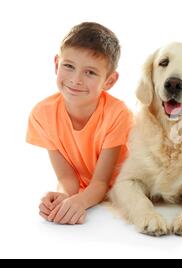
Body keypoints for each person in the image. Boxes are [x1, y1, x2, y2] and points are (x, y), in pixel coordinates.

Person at [26, 22, 133, 225]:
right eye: (69, 66)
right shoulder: (43, 114)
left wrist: (80, 202)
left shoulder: (117, 114)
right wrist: (63, 196)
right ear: (57, 64)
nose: (76, 80)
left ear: (109, 81)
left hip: (124, 190)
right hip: (93, 194)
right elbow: (67, 178)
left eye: (90, 72)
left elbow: (102, 182)